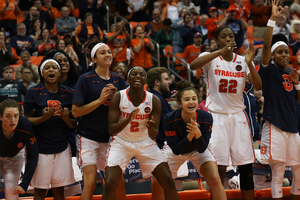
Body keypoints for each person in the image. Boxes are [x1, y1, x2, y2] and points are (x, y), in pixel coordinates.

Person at [190, 25, 262, 200]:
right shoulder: (209, 58)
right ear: (216, 40)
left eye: (231, 36)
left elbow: (258, 86)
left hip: (238, 117)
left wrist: (250, 62)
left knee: (246, 168)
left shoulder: (242, 60)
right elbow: (193, 65)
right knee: (219, 167)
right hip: (217, 117)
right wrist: (220, 51)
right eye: (224, 36)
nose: (229, 39)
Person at [103, 66, 179, 200]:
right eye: (134, 74)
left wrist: (150, 127)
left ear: (145, 80)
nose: (138, 76)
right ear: (128, 78)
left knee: (168, 181)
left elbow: (154, 135)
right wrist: (128, 119)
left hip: (145, 142)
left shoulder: (153, 100)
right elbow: (111, 130)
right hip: (121, 142)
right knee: (109, 184)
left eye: (141, 74)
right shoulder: (118, 96)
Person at [152, 80, 227, 200]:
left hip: (198, 150)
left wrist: (198, 135)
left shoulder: (206, 117)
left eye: (194, 99)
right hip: (174, 150)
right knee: (157, 181)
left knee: (214, 178)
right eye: (187, 99)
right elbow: (176, 150)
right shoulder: (169, 119)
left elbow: (202, 148)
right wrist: (190, 136)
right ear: (179, 104)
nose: (191, 102)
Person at [72, 43, 126, 200]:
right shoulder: (85, 79)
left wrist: (118, 98)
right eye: (103, 53)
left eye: (109, 52)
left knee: (117, 181)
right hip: (87, 137)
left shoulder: (119, 79)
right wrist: (101, 100)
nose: (108, 54)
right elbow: (75, 112)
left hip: (110, 138)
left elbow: (124, 109)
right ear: (94, 59)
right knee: (90, 181)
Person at [259, 0, 300, 198]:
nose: (284, 54)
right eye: (279, 52)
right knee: (279, 172)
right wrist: (272, 20)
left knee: (299, 173)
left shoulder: (292, 72)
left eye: (286, 51)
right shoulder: (269, 70)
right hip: (275, 125)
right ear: (273, 55)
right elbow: (266, 46)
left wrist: (298, 83)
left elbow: (298, 100)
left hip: (293, 127)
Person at [24, 58, 76, 200]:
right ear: (42, 73)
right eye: (47, 68)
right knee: (40, 191)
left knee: (59, 191)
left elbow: (74, 124)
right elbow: (26, 121)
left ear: (59, 73)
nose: (51, 70)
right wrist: (43, 118)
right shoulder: (33, 92)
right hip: (40, 149)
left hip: (62, 147)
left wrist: (66, 118)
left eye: (54, 67)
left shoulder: (70, 93)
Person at [0, 99, 38, 200]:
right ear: (1, 117)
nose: (12, 120)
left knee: (11, 190)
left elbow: (33, 155)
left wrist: (24, 184)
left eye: (16, 116)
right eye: (8, 116)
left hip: (14, 157)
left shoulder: (25, 125)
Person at [147, 67, 172, 149]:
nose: (169, 82)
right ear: (157, 82)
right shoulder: (156, 99)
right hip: (159, 145)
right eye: (166, 79)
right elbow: (170, 122)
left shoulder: (155, 97)